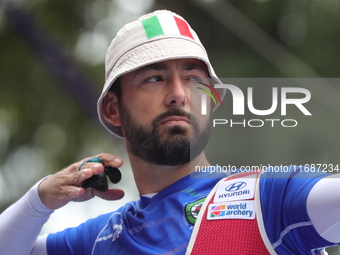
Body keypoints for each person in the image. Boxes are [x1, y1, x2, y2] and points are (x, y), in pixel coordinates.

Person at [0, 9, 340, 255]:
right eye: (154, 78)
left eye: (194, 79)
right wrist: (40, 199)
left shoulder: (268, 197)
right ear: (112, 109)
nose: (179, 93)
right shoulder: (103, 238)